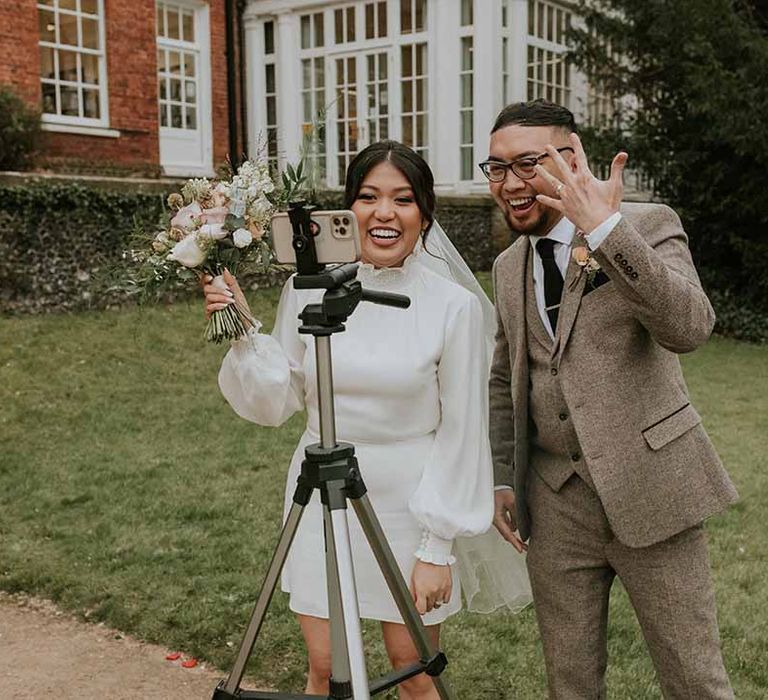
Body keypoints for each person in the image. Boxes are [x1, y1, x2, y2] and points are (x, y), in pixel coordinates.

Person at [203, 141, 528, 699]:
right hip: (318, 493)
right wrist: (241, 334)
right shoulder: (304, 290)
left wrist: (436, 548)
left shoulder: (453, 307)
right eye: (369, 196)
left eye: (402, 200)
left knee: (414, 672)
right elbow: (279, 397)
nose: (384, 213)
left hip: (409, 503)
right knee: (325, 670)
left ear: (425, 214)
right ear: (346, 210)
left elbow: (462, 433)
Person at [483, 99, 738, 698]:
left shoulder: (645, 225)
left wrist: (604, 230)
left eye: (527, 164)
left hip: (653, 490)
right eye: (496, 168)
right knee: (570, 684)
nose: (511, 184)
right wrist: (502, 478)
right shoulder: (504, 266)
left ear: (572, 160)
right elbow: (505, 378)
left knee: (694, 680)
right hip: (555, 505)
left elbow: (691, 328)